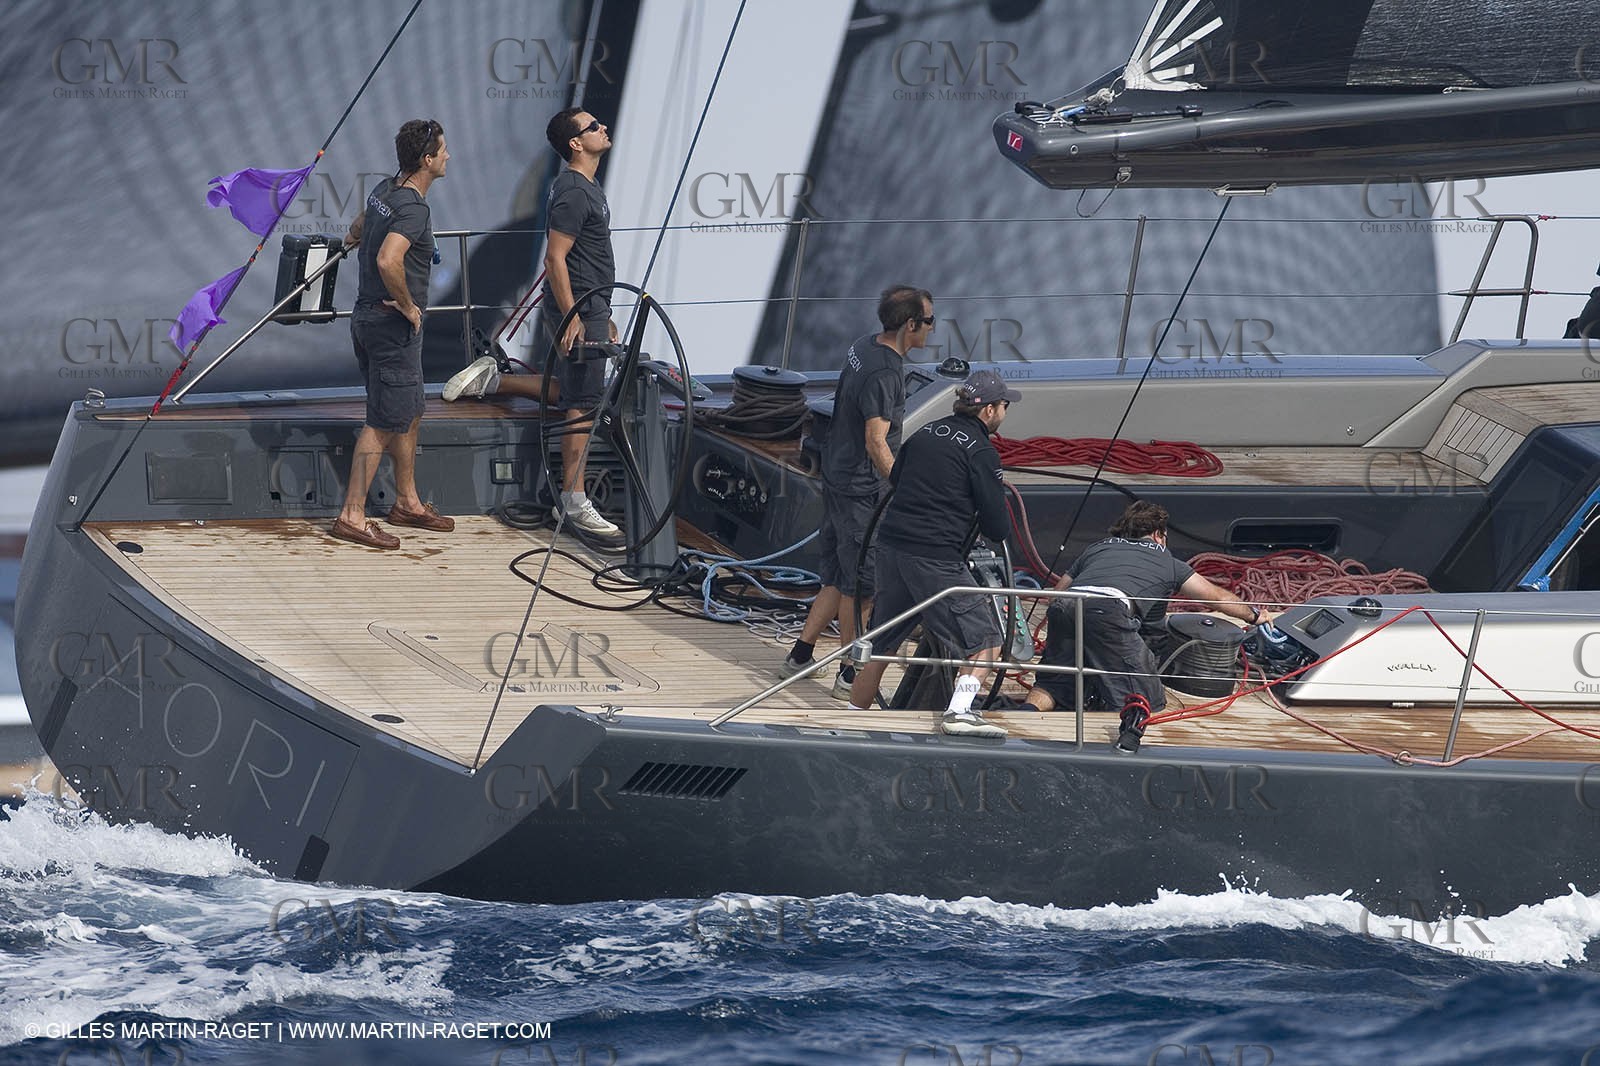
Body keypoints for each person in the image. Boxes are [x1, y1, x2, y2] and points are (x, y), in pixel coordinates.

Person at [443, 108, 619, 538]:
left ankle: (494, 381)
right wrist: (576, 316)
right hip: (578, 309)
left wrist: (605, 315)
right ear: (575, 143)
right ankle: (574, 503)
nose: (603, 128)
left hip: (592, 307)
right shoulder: (574, 192)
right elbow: (555, 258)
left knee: (572, 393)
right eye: (593, 126)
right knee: (582, 404)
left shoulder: (588, 187)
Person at [778, 286, 935, 698]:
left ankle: (799, 654)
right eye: (929, 321)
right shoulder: (886, 373)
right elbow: (876, 441)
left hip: (836, 476)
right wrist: (904, 489)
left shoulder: (863, 346)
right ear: (910, 325)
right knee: (862, 588)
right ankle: (849, 672)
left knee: (836, 576)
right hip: (862, 491)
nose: (933, 329)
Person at [846, 368, 1021, 737]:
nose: (1005, 412)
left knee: (883, 640)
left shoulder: (925, 432)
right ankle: (959, 712)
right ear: (989, 411)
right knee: (986, 640)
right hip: (934, 556)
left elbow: (898, 480)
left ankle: (851, 717)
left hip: (891, 546)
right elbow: (996, 528)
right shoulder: (982, 452)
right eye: (1004, 405)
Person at [1022, 501, 1275, 754]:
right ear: (1158, 534)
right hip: (1108, 610)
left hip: (1065, 607)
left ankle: (1022, 725)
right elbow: (1217, 598)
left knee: (1053, 683)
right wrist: (1255, 616)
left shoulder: (1097, 548)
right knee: (1147, 698)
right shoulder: (1167, 560)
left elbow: (1056, 595)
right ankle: (1120, 745)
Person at [331, 118, 455, 550]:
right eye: (442, 150)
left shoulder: (385, 189)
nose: (447, 156)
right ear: (427, 160)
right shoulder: (414, 208)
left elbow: (361, 227)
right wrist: (406, 305)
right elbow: (388, 260)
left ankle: (407, 502)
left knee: (411, 407)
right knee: (383, 421)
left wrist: (348, 238)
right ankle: (351, 516)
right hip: (390, 326)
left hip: (367, 320)